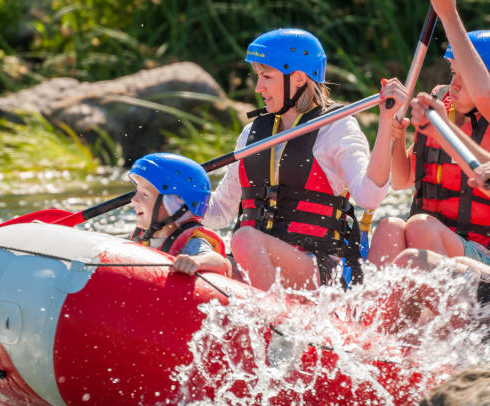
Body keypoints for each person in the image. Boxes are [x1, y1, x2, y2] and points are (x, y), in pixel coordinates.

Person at [202, 28, 406, 291]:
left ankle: (270, 320)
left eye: (266, 77)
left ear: (297, 78)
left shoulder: (336, 129)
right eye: (257, 77)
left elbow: (369, 196)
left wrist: (386, 123)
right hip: (255, 259)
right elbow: (219, 212)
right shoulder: (252, 134)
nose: (258, 87)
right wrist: (171, 199)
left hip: (317, 270)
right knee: (203, 257)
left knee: (244, 239)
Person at [367, 26, 490, 268]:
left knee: (420, 225)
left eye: (464, 77)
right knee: (389, 227)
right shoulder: (441, 106)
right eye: (453, 74)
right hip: (429, 239)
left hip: (481, 257)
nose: (453, 85)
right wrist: (398, 134)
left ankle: (441, 304)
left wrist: (444, 130)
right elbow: (402, 181)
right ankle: (371, 306)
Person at [129, 152, 232, 277]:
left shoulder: (191, 245)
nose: (134, 199)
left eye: (145, 194)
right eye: (137, 192)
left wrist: (196, 261)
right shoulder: (141, 236)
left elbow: (219, 262)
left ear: (174, 206)